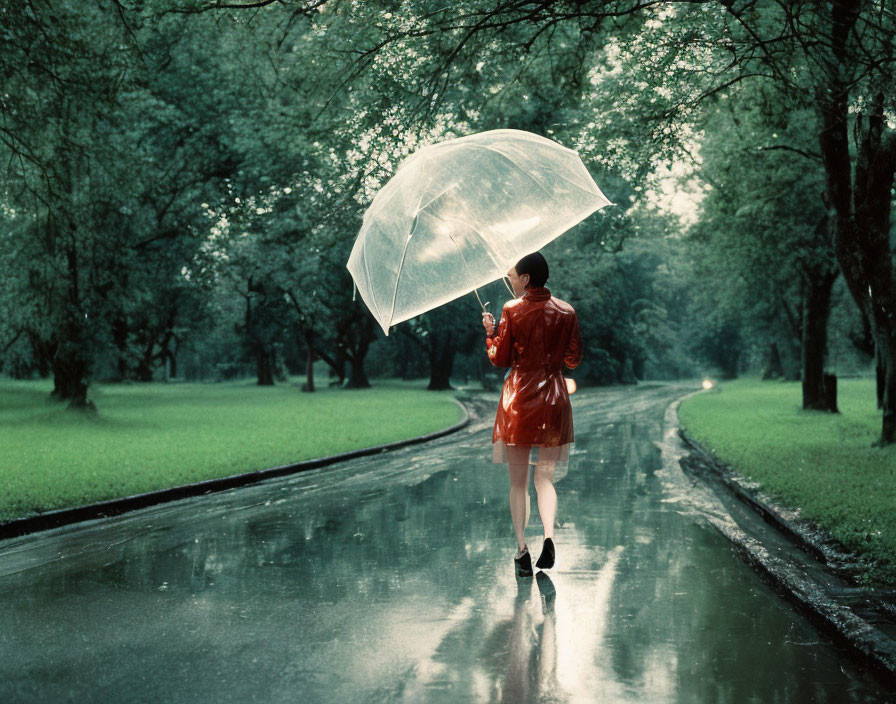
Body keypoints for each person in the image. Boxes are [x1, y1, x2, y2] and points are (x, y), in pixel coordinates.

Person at [482, 251, 583, 577]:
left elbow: (500, 358)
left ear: (526, 278)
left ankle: (522, 551)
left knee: (518, 483)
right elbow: (573, 359)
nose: (509, 280)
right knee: (545, 479)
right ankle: (550, 537)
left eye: (512, 275)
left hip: (519, 402)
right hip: (554, 400)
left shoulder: (512, 309)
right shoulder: (566, 311)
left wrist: (490, 333)